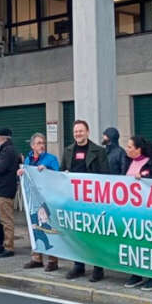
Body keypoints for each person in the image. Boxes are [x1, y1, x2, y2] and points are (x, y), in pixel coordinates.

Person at [60, 120, 110, 281]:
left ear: (87, 132)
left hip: (93, 200)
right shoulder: (68, 151)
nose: (78, 134)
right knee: (77, 234)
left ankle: (98, 268)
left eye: (81, 131)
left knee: (95, 234)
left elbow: (105, 175)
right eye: (75, 132)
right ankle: (78, 265)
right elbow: (61, 172)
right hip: (74, 200)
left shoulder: (99, 151)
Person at [122, 135, 152, 291]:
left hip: (148, 212)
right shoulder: (128, 161)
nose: (127, 149)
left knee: (149, 244)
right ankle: (136, 273)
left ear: (138, 149)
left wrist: (146, 177)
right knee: (133, 244)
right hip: (131, 211)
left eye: (129, 147)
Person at [20, 133, 59, 270]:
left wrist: (47, 170)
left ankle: (53, 260)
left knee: (48, 227)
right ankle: (36, 258)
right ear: (32, 146)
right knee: (34, 227)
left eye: (43, 143)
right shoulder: (28, 160)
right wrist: (21, 173)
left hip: (46, 201)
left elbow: (57, 176)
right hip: (33, 201)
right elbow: (27, 175)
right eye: (38, 143)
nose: (41, 145)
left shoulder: (51, 159)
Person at [0, 128, 20, 258]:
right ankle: (6, 245)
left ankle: (9, 247)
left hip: (4, 190)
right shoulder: (8, 149)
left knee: (6, 220)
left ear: (1, 138)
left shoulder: (7, 151)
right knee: (3, 219)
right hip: (3, 188)